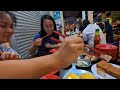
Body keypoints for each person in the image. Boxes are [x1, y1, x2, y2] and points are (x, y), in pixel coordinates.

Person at [0, 11, 84, 79]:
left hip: (56, 67)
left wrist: (52, 46)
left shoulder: (56, 33)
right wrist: (35, 46)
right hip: (43, 66)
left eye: (51, 25)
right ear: (42, 27)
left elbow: (62, 43)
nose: (49, 28)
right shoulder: (39, 35)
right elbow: (30, 52)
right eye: (46, 26)